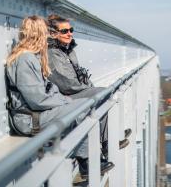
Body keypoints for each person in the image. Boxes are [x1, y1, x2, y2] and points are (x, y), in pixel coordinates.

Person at [5, 15, 114, 179]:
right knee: (80, 109)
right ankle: (86, 162)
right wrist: (65, 101)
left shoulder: (31, 57)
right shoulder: (25, 60)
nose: (47, 38)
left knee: (82, 105)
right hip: (29, 119)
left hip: (37, 113)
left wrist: (64, 101)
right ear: (38, 35)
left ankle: (87, 159)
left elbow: (49, 90)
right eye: (45, 34)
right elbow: (37, 100)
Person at [47, 15, 131, 156]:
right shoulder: (53, 53)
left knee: (104, 93)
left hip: (74, 91)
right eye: (64, 31)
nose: (69, 33)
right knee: (102, 94)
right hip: (65, 95)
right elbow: (67, 83)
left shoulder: (68, 50)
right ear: (53, 33)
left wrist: (87, 85)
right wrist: (88, 88)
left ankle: (110, 136)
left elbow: (78, 75)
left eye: (71, 30)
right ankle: (107, 144)